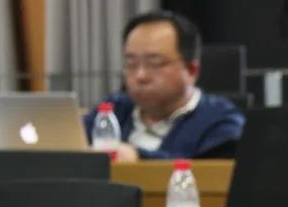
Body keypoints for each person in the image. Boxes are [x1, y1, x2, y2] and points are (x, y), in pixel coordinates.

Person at [82, 10, 244, 161]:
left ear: (191, 70)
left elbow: (208, 172)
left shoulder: (221, 122)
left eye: (155, 63)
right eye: (131, 64)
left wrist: (138, 158)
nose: (141, 76)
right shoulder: (112, 111)